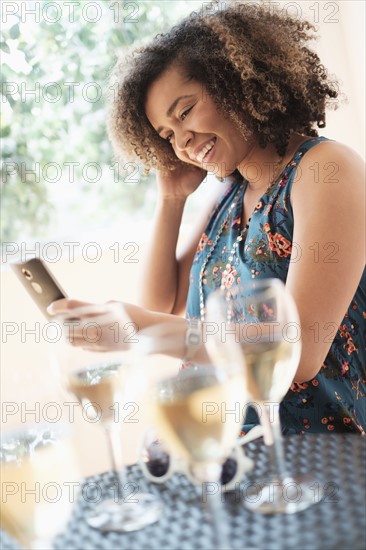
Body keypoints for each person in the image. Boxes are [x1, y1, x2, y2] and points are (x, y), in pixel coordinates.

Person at [49, 2, 365, 434]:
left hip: (321, 459)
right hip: (230, 451)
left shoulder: (325, 170)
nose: (183, 141)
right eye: (168, 135)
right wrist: (172, 199)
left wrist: (140, 329)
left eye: (185, 112)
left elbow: (299, 351)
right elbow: (162, 300)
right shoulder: (229, 196)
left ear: (235, 82)